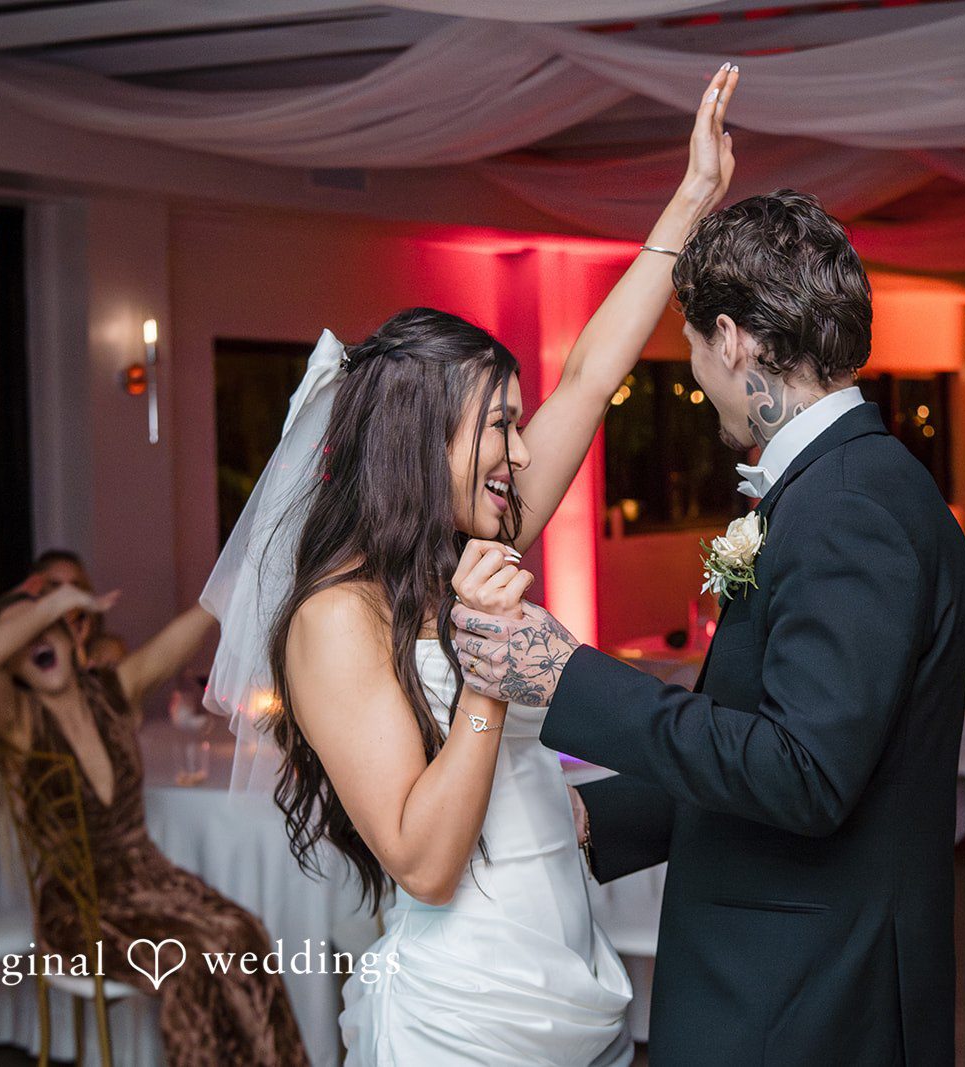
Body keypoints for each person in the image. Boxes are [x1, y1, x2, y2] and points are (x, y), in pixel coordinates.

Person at [201, 67, 740, 1065]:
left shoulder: (470, 550)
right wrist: (489, 674)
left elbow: (589, 376)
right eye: (498, 426)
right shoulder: (335, 617)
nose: (524, 452)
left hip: (564, 959)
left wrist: (693, 196)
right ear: (419, 442)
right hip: (464, 1006)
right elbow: (425, 857)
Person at [451, 189, 965, 1065]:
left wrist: (568, 674)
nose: (696, 378)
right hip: (802, 973)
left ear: (731, 338)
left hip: (804, 994)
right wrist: (596, 814)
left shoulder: (848, 506)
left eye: (693, 345)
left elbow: (804, 774)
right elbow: (779, 736)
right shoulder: (846, 485)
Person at [0, 579, 309, 1067]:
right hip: (82, 905)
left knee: (242, 933)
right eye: (22, 632)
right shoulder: (19, 723)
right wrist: (57, 602)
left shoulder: (112, 692)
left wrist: (241, 569)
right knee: (188, 962)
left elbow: (187, 629)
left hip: (154, 881)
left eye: (48, 627)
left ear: (72, 637)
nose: (35, 638)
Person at [31, 548, 128, 668]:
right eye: (55, 585)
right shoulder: (22, 653)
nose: (67, 594)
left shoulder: (106, 650)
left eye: (74, 585)